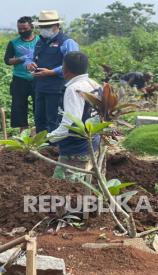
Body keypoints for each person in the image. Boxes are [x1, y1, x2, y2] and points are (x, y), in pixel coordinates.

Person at [48, 52, 101, 180]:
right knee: (84, 183)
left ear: (66, 69)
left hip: (76, 149)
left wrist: (49, 138)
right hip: (92, 143)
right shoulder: (94, 84)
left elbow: (71, 122)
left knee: (66, 187)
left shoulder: (73, 89)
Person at [25, 10, 80, 134]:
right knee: (39, 119)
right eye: (41, 27)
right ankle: (42, 147)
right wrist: (29, 64)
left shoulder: (67, 42)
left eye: (46, 27)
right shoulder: (40, 42)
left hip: (57, 88)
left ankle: (54, 149)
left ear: (56, 26)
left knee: (54, 120)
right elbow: (28, 58)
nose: (43, 29)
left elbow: (73, 65)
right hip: (40, 87)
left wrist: (52, 72)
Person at [3, 16, 40, 132]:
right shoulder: (13, 43)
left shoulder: (41, 40)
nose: (22, 31)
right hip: (19, 79)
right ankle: (23, 134)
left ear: (32, 27)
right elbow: (7, 60)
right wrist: (21, 59)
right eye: (20, 29)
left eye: (25, 28)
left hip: (37, 78)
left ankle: (40, 132)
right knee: (19, 107)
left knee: (39, 106)